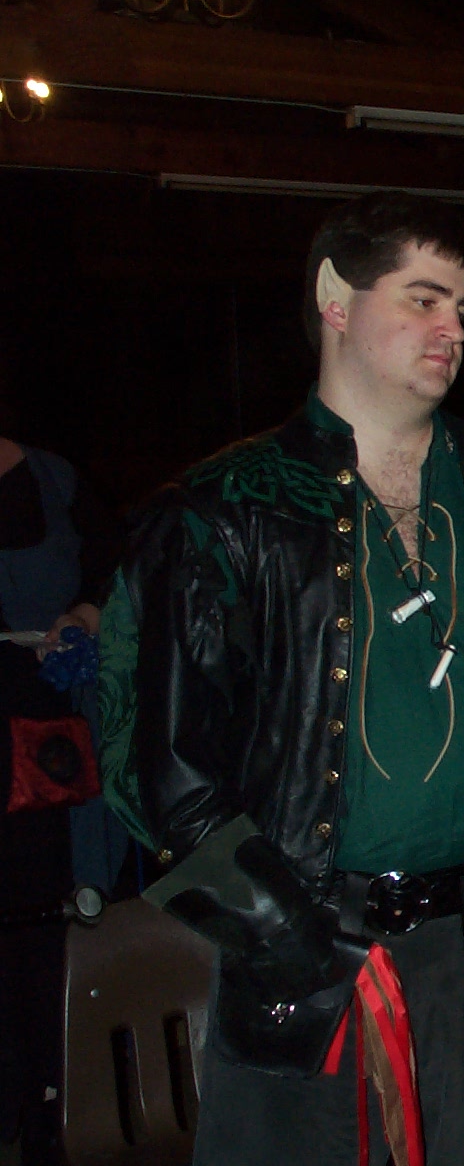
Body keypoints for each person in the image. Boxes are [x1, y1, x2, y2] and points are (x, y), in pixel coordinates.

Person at [99, 192, 464, 1166]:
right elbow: (156, 767)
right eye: (423, 298)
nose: (454, 329)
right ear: (335, 296)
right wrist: (279, 934)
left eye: (463, 307)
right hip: (315, 949)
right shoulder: (224, 513)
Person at [0, 428, 120, 1166]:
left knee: (50, 925)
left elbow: (113, 573)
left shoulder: (53, 477)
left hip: (46, 746)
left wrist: (82, 619)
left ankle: (55, 1106)